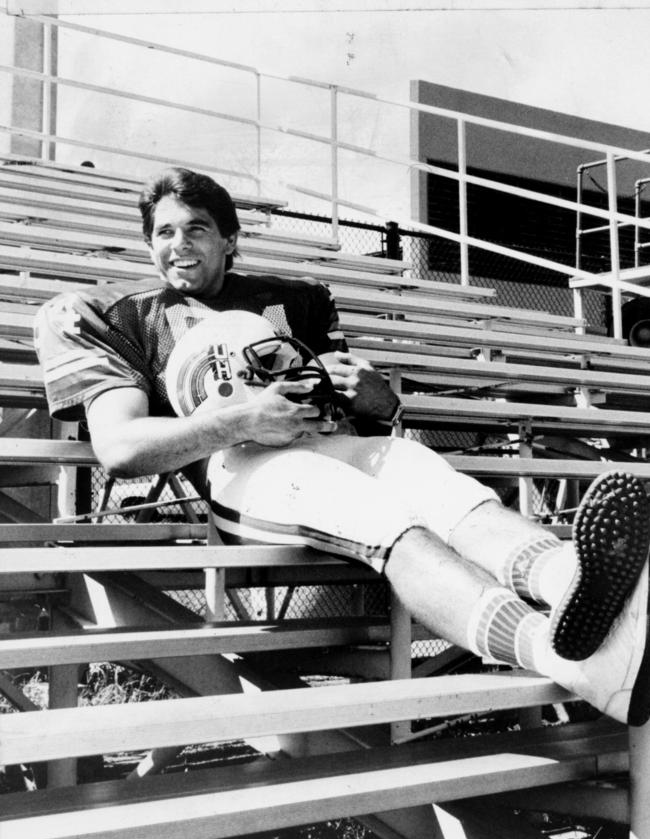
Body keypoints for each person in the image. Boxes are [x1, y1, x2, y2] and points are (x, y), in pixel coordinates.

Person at [34, 166, 650, 727]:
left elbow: (358, 411)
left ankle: (578, 581)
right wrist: (240, 421)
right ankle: (570, 663)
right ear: (149, 244)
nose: (179, 243)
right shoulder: (123, 316)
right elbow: (119, 446)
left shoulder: (295, 299)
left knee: (428, 475)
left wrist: (376, 400)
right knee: (379, 514)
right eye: (164, 232)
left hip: (326, 444)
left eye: (197, 228)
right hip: (241, 472)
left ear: (230, 239)